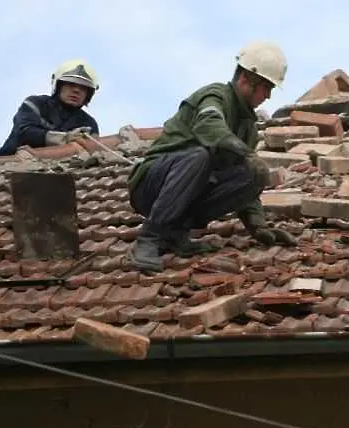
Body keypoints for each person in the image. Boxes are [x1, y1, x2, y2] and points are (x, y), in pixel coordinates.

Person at [127, 41, 297, 273]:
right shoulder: (215, 96)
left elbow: (246, 182)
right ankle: (149, 238)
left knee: (252, 173)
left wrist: (259, 227)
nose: (267, 96)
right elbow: (209, 126)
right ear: (247, 79)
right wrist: (246, 153)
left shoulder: (248, 128)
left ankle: (175, 234)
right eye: (265, 87)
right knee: (200, 156)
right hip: (151, 185)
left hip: (185, 195)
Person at [0, 59, 100, 156]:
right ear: (58, 85)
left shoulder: (88, 123)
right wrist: (64, 138)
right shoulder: (36, 104)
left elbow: (93, 149)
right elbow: (23, 133)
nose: (76, 91)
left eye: (83, 88)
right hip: (9, 161)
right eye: (71, 84)